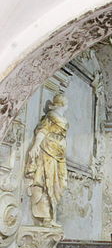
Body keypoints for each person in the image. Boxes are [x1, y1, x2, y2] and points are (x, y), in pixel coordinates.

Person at [24, 94, 69, 226]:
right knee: (47, 181)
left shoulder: (64, 119)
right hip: (48, 151)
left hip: (59, 153)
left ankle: (52, 216)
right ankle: (47, 217)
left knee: (59, 184)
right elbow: (42, 131)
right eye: (66, 103)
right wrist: (36, 145)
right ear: (61, 105)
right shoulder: (50, 117)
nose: (67, 105)